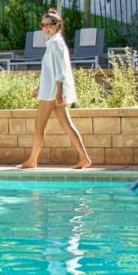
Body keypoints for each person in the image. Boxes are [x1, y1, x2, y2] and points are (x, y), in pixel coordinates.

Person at [15, 10, 93, 170]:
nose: (45, 28)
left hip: (51, 93)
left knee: (39, 125)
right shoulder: (54, 42)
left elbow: (61, 71)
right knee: (67, 125)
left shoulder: (56, 43)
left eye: (49, 25)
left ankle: (32, 160)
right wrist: (40, 88)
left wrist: (58, 93)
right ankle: (84, 157)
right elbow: (50, 71)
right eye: (42, 25)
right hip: (50, 90)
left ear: (57, 25)